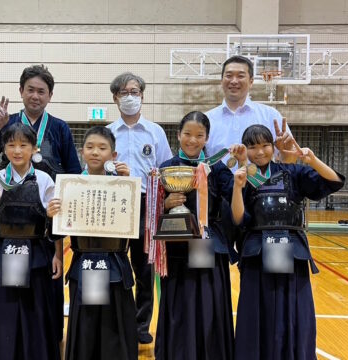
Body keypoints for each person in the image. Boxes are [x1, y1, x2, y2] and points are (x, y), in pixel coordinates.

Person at [0, 65, 79, 340]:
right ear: (20, 91)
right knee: (9, 296)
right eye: (30, 90)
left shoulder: (59, 128)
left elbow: (73, 172)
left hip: (45, 225)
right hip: (8, 223)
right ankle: (7, 340)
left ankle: (46, 339)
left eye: (41, 91)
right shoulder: (6, 123)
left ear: (50, 95)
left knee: (44, 290)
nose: (35, 96)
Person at [230, 125, 345, 360]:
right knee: (256, 310)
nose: (259, 152)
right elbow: (239, 219)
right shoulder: (245, 176)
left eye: (265, 145)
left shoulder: (292, 172)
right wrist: (237, 187)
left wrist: (312, 160)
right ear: (245, 149)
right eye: (252, 147)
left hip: (292, 251)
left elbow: (334, 182)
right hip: (257, 253)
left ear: (273, 147)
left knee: (293, 310)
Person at [0, 123, 62, 360]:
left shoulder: (44, 179)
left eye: (24, 145)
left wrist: (57, 253)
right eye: (11, 145)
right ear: (4, 149)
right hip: (3, 251)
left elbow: (56, 225)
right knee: (3, 311)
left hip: (36, 253)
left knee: (35, 312)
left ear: (34, 149)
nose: (17, 150)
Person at [155, 111, 235, 360]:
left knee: (208, 299)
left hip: (208, 243)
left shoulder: (216, 168)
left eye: (199, 135)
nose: (192, 140)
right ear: (178, 135)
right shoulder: (165, 168)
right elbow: (152, 211)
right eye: (187, 134)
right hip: (177, 246)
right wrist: (166, 204)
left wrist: (243, 170)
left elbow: (234, 196)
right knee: (182, 301)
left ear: (207, 138)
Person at [57, 126, 137, 360]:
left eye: (102, 148)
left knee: (114, 326)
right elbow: (58, 232)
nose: (95, 152)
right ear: (82, 152)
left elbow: (135, 228)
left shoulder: (123, 184)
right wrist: (53, 214)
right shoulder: (70, 186)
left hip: (115, 264)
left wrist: (127, 187)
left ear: (113, 156)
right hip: (85, 263)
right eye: (90, 147)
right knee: (87, 326)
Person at [106, 72, 173, 343]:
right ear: (115, 98)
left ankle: (141, 325)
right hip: (116, 204)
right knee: (114, 263)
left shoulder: (155, 132)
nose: (130, 97)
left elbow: (168, 170)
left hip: (148, 205)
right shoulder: (108, 133)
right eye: (124, 92)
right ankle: (114, 321)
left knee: (145, 270)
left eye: (134, 91)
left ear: (143, 96)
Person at [205, 55, 299, 166]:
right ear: (221, 81)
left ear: (251, 82)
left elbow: (290, 163)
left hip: (261, 183)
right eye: (229, 76)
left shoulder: (270, 115)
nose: (234, 81)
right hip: (217, 183)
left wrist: (286, 151)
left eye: (240, 76)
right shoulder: (206, 120)